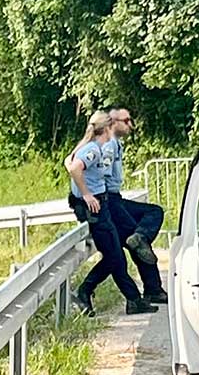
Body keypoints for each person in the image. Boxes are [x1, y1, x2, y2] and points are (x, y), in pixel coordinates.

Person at [65, 110, 156, 317]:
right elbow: (75, 169)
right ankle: (85, 291)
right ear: (106, 128)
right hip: (96, 208)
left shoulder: (86, 146)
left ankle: (133, 300)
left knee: (116, 256)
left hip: (100, 206)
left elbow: (68, 162)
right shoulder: (95, 149)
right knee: (115, 256)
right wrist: (86, 194)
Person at [103, 107, 167, 303]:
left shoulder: (116, 144)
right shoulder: (109, 146)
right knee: (138, 241)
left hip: (115, 198)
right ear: (113, 123)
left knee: (147, 225)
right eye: (127, 120)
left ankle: (152, 288)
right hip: (109, 200)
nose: (131, 124)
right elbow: (100, 174)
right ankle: (152, 290)